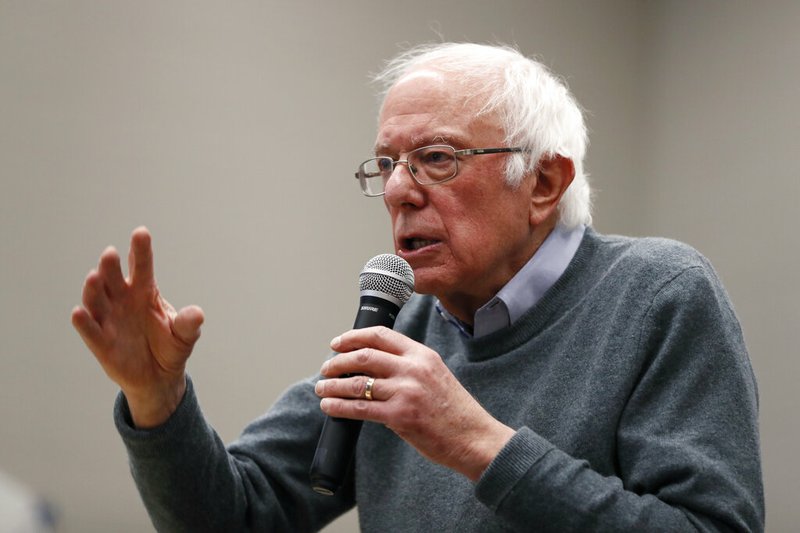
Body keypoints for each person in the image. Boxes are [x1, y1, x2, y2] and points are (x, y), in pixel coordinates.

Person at [72, 43, 764, 532]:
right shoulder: (402, 330)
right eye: (387, 164)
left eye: (437, 158)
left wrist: (477, 442)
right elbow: (235, 516)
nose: (399, 190)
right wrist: (155, 401)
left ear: (544, 182)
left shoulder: (659, 294)